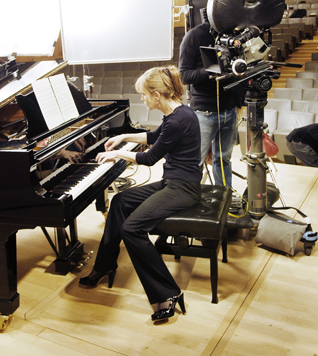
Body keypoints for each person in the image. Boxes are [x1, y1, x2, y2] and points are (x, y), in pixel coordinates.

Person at [79, 66, 202, 322]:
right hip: (173, 182)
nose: (142, 99)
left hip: (183, 189)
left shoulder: (180, 120)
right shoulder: (176, 114)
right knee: (121, 201)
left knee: (132, 229)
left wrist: (117, 153)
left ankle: (168, 293)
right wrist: (124, 135)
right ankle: (105, 265)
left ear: (157, 95)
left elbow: (149, 157)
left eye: (144, 95)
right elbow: (155, 136)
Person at [179, 19, 243, 187]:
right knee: (195, 162)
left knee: (223, 160)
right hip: (204, 113)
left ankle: (224, 198)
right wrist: (212, 69)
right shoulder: (194, 36)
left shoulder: (235, 34)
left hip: (230, 110)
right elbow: (184, 76)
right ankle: (189, 200)